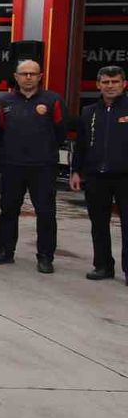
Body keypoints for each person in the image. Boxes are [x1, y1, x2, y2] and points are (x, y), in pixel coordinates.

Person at [0, 60, 66, 273]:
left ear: (40, 76)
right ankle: (5, 252)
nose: (28, 77)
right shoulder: (5, 102)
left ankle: (45, 257)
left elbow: (60, 131)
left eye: (33, 73)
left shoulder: (53, 100)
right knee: (8, 211)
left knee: (46, 213)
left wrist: (44, 150)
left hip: (43, 167)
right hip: (12, 165)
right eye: (24, 74)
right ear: (16, 76)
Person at [70, 65, 128, 283]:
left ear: (124, 84)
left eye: (115, 82)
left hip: (125, 177)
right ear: (98, 85)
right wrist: (76, 171)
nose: (110, 86)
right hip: (96, 177)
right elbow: (81, 145)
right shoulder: (89, 112)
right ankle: (103, 266)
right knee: (99, 224)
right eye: (106, 82)